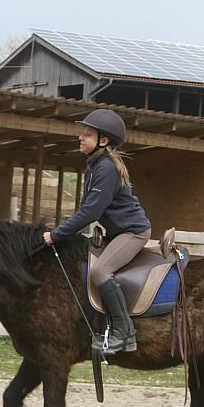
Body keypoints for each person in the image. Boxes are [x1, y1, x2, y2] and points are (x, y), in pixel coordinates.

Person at [43, 109, 152, 355]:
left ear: (103, 141)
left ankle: (125, 332)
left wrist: (56, 235)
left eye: (88, 134)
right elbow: (86, 208)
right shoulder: (94, 167)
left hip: (133, 232)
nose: (81, 138)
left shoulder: (106, 169)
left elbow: (90, 212)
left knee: (101, 271)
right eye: (82, 133)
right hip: (117, 233)